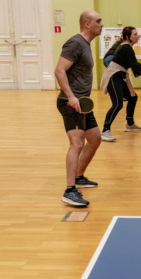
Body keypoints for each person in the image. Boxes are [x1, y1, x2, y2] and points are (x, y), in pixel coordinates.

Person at [54, 11, 104, 207]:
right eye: (98, 21)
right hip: (70, 103)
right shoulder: (75, 43)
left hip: (83, 103)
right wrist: (71, 96)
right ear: (87, 25)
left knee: (95, 138)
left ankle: (79, 176)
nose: (101, 24)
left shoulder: (85, 44)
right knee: (77, 144)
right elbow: (59, 70)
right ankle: (70, 190)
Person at [99, 26, 141, 141]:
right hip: (113, 76)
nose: (138, 36)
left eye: (137, 34)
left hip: (119, 76)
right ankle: (105, 130)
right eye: (135, 34)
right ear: (127, 37)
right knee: (117, 104)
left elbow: (136, 67)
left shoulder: (127, 47)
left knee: (132, 97)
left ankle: (130, 124)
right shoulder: (126, 47)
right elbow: (137, 68)